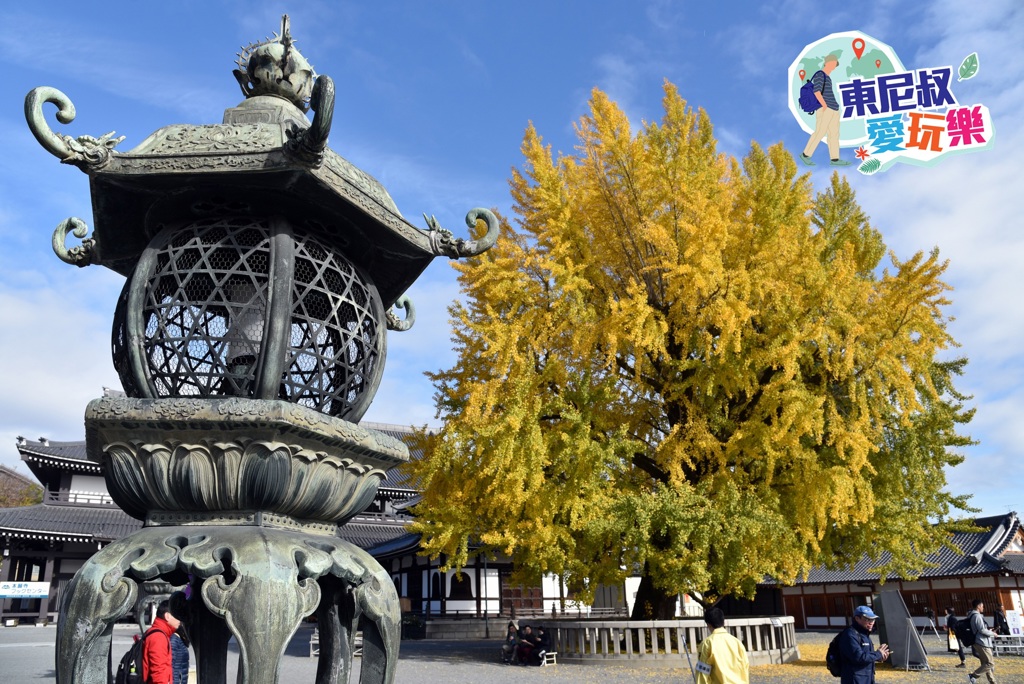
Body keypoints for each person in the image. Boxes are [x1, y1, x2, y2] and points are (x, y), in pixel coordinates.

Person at [799, 54, 850, 167]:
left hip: (834, 108)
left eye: (835, 65)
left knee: (834, 134)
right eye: (833, 63)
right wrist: (824, 105)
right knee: (820, 132)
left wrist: (832, 107)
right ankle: (805, 155)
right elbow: (817, 91)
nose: (834, 66)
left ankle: (835, 159)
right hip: (825, 108)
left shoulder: (828, 77)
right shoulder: (820, 75)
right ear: (827, 62)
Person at [694, 606, 749, 684]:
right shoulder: (737, 642)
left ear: (708, 624)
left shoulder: (707, 643)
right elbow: (745, 667)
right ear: (724, 622)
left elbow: (703, 673)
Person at [838, 605, 890, 684]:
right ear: (857, 618)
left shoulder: (864, 634)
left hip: (867, 678)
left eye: (873, 619)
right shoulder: (850, 635)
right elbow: (859, 657)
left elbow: (867, 656)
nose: (871, 622)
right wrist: (878, 654)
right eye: (867, 619)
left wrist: (880, 657)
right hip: (854, 679)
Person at [142, 600, 180, 684]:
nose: (179, 619)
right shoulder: (158, 637)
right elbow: (158, 671)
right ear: (167, 616)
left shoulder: (158, 633)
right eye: (177, 615)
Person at [967, 599, 997, 683]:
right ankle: (972, 676)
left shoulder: (971, 615)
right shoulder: (977, 616)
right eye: (982, 606)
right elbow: (982, 630)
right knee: (990, 663)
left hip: (978, 641)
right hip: (982, 642)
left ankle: (992, 681)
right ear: (978, 606)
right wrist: (992, 633)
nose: (983, 608)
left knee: (985, 663)